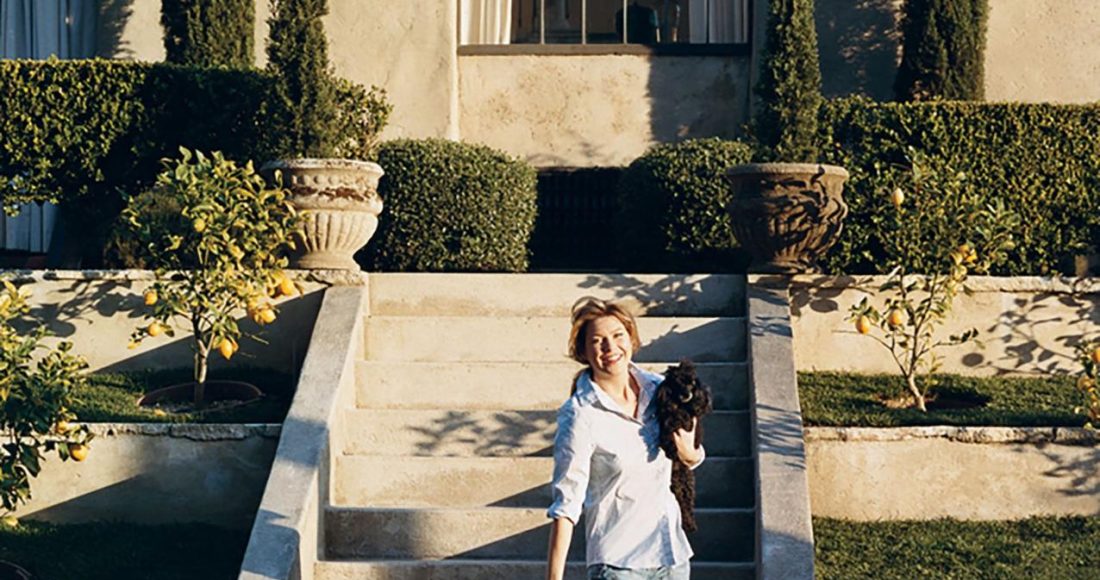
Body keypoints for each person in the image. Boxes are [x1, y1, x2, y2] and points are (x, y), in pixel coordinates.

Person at [546, 297, 705, 580]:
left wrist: (691, 455)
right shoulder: (580, 414)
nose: (610, 347)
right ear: (583, 351)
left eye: (618, 335)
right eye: (597, 340)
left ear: (631, 338)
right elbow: (567, 502)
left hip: (673, 558)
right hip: (618, 565)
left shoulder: (660, 391)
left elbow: (692, 454)